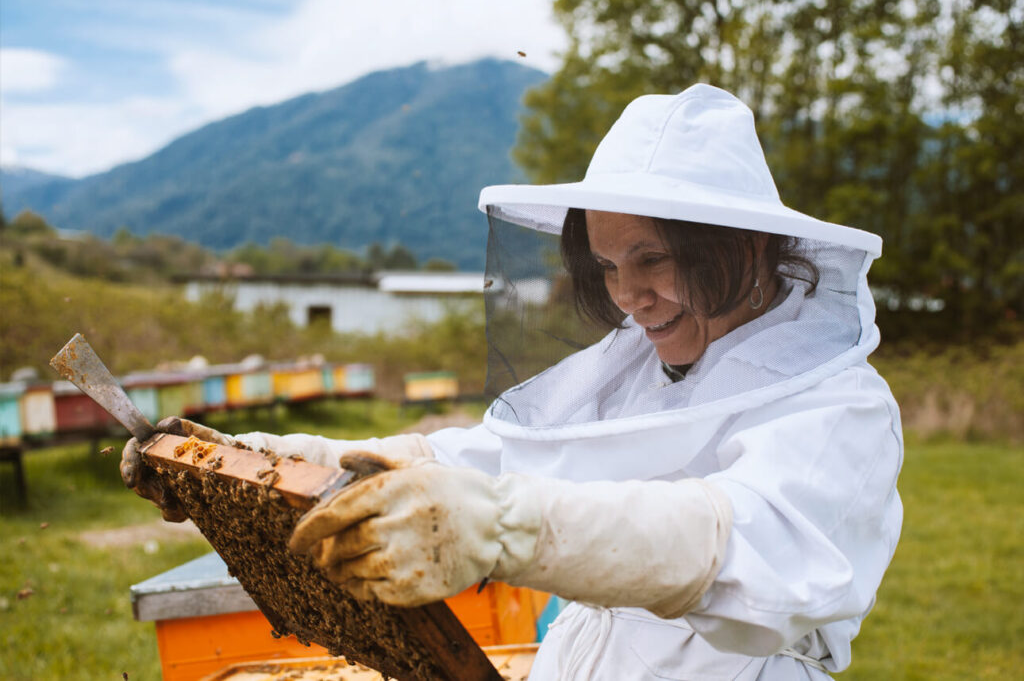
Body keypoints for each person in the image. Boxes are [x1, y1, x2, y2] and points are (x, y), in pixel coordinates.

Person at [122, 84, 903, 679]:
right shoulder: (638, 363)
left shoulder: (840, 407)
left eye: (653, 259)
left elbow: (734, 541)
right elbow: (477, 463)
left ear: (744, 247)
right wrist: (261, 456)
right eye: (608, 267)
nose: (628, 297)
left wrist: (507, 526)